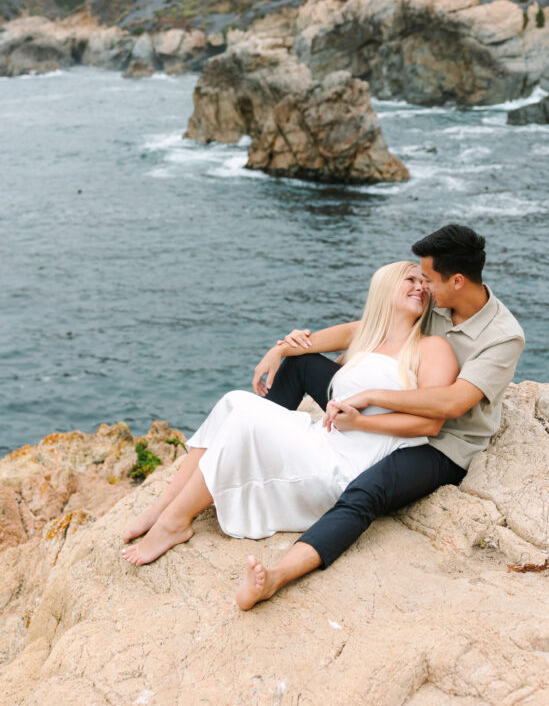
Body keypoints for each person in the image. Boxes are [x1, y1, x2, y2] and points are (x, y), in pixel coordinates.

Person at [236, 222, 524, 610]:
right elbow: (362, 329)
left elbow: (452, 403)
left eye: (428, 280)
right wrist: (284, 349)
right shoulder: (438, 302)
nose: (421, 287)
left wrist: (368, 400)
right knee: (302, 366)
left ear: (457, 281)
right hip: (388, 408)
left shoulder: (503, 336)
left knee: (366, 493)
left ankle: (277, 576)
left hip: (441, 443)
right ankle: (247, 449)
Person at [121, 261, 458, 569]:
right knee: (234, 401)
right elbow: (303, 346)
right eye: (410, 279)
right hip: (324, 438)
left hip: (349, 462)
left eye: (424, 282)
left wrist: (361, 423)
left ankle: (174, 523)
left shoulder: (432, 348)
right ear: (385, 287)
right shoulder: (364, 334)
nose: (421, 287)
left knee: (245, 421)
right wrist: (277, 350)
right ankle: (163, 506)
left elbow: (428, 423)